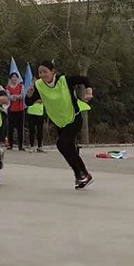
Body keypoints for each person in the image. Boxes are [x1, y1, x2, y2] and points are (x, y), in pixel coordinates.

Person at [26, 61, 94, 190]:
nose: (42, 75)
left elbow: (84, 80)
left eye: (45, 72)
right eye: (40, 72)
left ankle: (81, 174)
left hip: (74, 119)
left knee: (62, 144)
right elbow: (29, 102)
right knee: (69, 148)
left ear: (53, 71)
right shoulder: (39, 85)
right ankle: (83, 174)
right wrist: (29, 94)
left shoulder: (64, 80)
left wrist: (88, 92)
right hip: (59, 122)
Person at [6, 72, 26, 153]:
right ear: (10, 79)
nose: (14, 79)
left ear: (18, 78)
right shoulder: (7, 87)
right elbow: (8, 96)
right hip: (11, 110)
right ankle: (10, 145)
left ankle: (20, 146)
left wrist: (15, 96)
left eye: (15, 77)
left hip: (20, 110)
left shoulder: (21, 86)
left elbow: (22, 96)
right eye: (13, 77)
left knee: (20, 128)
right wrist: (15, 97)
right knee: (10, 128)